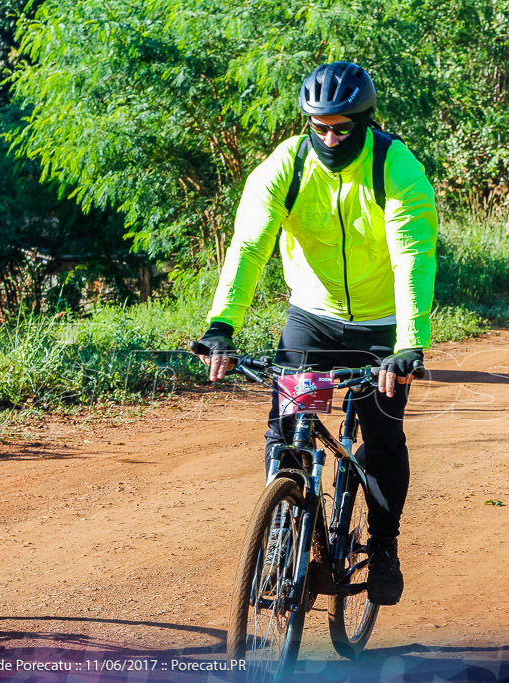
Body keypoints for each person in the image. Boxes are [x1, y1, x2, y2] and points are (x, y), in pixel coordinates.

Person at [193, 61, 438, 606]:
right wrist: (221, 324)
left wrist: (408, 343)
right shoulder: (286, 165)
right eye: (319, 125)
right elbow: (249, 246)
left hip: (381, 327)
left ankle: (385, 545)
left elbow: (412, 257)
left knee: (382, 440)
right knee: (287, 429)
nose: (329, 137)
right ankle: (281, 531)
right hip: (312, 318)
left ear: (366, 121)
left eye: (342, 127)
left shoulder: (396, 168)